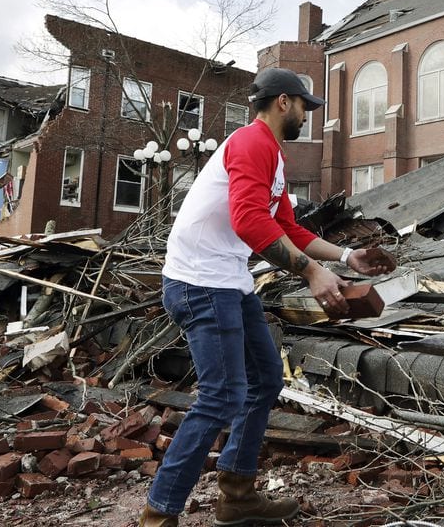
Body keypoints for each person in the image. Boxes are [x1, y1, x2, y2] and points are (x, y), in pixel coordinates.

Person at [140, 68, 396, 526]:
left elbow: (286, 228)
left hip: (227, 281)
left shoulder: (272, 156)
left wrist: (346, 256)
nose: (307, 115)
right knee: (220, 397)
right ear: (283, 102)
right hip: (200, 284)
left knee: (264, 380)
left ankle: (236, 495)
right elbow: (247, 221)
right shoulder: (250, 142)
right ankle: (158, 515)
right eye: (304, 106)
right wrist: (311, 270)